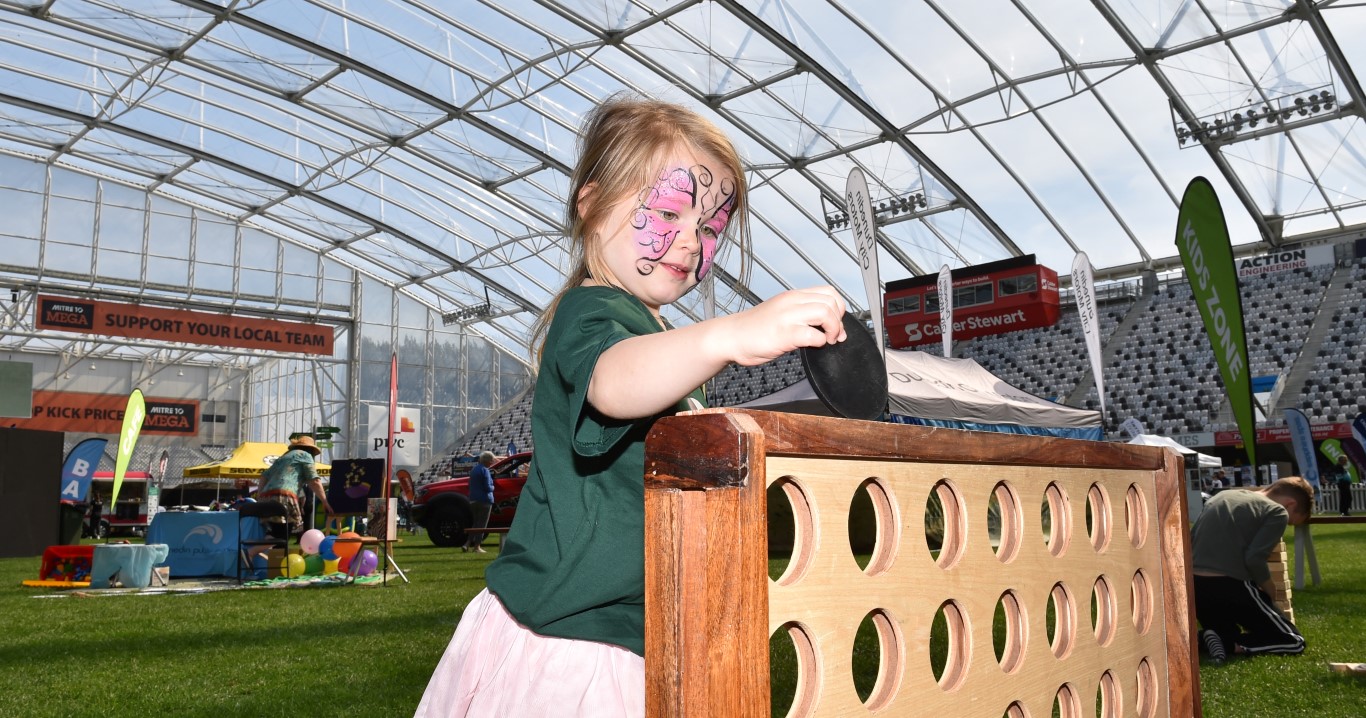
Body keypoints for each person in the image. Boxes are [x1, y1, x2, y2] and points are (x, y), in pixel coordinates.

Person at [414, 93, 847, 718]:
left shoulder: (654, 338)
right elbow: (615, 385)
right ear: (590, 207)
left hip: (630, 628)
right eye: (669, 209)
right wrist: (728, 335)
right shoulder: (595, 311)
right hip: (575, 642)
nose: (690, 241)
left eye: (710, 226)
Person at [1191, 476, 1313, 663]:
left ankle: (1205, 639)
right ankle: (1227, 644)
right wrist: (1270, 588)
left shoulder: (1221, 496)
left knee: (1227, 631)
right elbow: (1254, 558)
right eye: (1291, 522)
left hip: (1196, 587)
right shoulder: (1277, 511)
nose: (1287, 524)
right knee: (1293, 641)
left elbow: (1191, 539)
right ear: (1290, 504)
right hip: (1230, 585)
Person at [253, 435, 333, 538]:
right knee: (284, 533)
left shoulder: (284, 457)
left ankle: (265, 551)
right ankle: (270, 552)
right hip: (284, 496)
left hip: (266, 497)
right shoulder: (305, 455)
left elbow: (264, 476)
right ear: (311, 450)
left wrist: (260, 496)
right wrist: (324, 501)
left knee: (272, 531)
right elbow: (315, 481)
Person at [462, 451, 496, 553]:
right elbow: (487, 487)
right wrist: (493, 487)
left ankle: (467, 544)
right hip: (484, 500)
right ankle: (477, 546)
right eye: (492, 460)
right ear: (488, 460)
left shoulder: (474, 470)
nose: (492, 462)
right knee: (482, 525)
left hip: (473, 499)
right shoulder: (485, 470)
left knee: (475, 524)